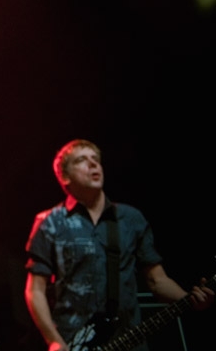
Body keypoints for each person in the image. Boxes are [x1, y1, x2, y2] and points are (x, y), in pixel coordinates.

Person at [24, 138, 213, 351]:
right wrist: (55, 341)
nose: (93, 164)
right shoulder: (50, 222)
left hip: (128, 340)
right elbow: (35, 291)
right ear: (65, 176)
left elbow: (156, 280)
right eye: (82, 160)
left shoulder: (130, 218)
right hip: (73, 343)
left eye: (96, 159)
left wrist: (189, 299)